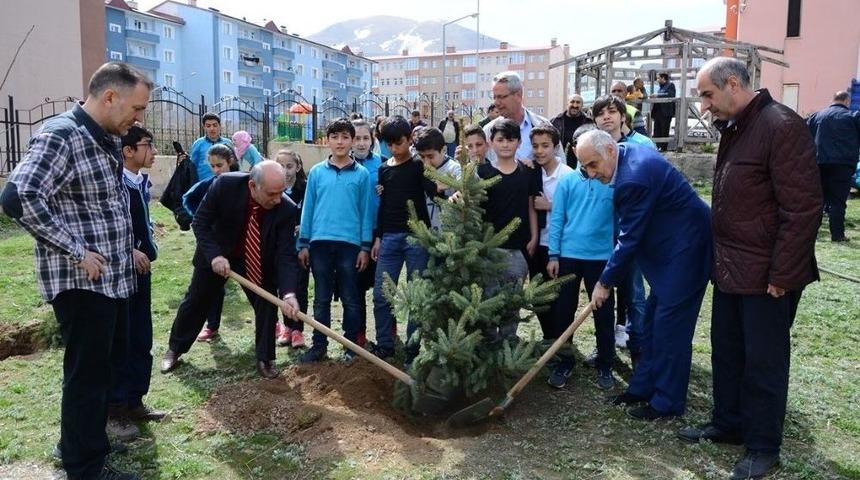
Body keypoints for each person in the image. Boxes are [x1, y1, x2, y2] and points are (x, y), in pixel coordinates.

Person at [1, 61, 153, 480]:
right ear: (110, 97)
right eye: (136, 108)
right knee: (87, 376)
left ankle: (79, 443)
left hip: (111, 283)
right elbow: (19, 196)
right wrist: (76, 251)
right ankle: (84, 468)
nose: (138, 118)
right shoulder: (61, 135)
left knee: (100, 371)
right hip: (82, 283)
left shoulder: (103, 136)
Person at [677, 57, 823, 480]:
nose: (705, 106)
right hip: (730, 269)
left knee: (764, 361)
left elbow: (802, 209)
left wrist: (782, 275)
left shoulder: (781, 126)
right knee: (727, 351)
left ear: (734, 84)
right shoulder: (737, 129)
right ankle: (728, 423)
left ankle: (762, 446)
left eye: (707, 95)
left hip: (766, 277)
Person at [577, 130, 712, 422]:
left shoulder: (633, 178)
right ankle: (642, 388)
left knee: (670, 331)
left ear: (611, 150)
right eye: (584, 167)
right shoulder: (624, 155)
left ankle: (667, 402)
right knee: (651, 323)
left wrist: (604, 283)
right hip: (670, 250)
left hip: (686, 251)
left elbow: (629, 238)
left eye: (593, 164)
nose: (590, 173)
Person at [160, 161, 301, 379]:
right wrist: (214, 255)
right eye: (272, 194)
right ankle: (175, 348)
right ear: (253, 186)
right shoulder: (225, 185)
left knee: (266, 301)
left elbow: (285, 254)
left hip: (255, 257)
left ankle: (265, 358)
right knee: (197, 299)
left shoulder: (286, 208)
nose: (277, 199)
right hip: (218, 252)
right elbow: (200, 222)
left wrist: (290, 293)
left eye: (281, 192)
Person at [297, 118, 374, 363]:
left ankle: (351, 346)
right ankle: (319, 345)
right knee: (321, 297)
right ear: (327, 141)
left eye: (345, 137)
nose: (340, 142)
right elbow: (307, 209)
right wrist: (304, 243)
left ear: (352, 141)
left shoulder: (361, 175)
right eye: (334, 137)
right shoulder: (318, 172)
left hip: (350, 246)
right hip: (319, 244)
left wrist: (364, 246)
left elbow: (366, 212)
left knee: (351, 296)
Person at [545, 127, 615, 391]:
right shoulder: (568, 182)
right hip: (568, 256)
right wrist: (553, 254)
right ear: (574, 151)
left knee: (604, 313)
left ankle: (606, 363)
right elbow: (558, 219)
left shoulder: (610, 180)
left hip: (601, 258)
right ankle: (565, 362)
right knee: (564, 311)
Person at [109, 125, 166, 436]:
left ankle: (135, 400)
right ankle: (115, 409)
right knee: (122, 340)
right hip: (120, 274)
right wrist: (129, 250)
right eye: (147, 145)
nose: (153, 151)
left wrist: (148, 226)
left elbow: (134, 218)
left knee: (142, 337)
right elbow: (107, 225)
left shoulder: (139, 182)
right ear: (127, 151)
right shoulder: (115, 184)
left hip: (142, 273)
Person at [371, 116, 438, 363]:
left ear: (410, 140)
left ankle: (412, 350)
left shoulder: (419, 165)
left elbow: (435, 191)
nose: (394, 149)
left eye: (398, 143)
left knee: (416, 296)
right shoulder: (384, 168)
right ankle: (385, 345)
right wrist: (378, 237)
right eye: (389, 144)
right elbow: (383, 205)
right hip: (388, 238)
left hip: (417, 238)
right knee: (381, 293)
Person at [477, 118, 540, 340]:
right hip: (489, 248)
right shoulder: (482, 172)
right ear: (491, 143)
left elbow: (531, 206)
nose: (505, 144)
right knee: (488, 297)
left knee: (512, 299)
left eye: (511, 140)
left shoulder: (527, 171)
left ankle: (508, 340)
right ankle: (488, 342)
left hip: (518, 247)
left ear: (519, 142)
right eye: (500, 140)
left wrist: (534, 237)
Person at [181, 144, 239, 343]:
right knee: (207, 291)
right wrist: (202, 217)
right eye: (212, 166)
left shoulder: (243, 182)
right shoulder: (208, 185)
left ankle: (271, 326)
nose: (216, 170)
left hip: (241, 246)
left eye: (220, 165)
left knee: (260, 288)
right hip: (212, 247)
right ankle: (211, 326)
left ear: (230, 161)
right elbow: (188, 199)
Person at [527, 124, 575, 346]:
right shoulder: (532, 173)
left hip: (562, 246)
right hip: (538, 243)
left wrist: (550, 205)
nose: (539, 151)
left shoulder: (568, 175)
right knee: (539, 295)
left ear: (555, 147)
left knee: (560, 297)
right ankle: (548, 338)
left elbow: (577, 211)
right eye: (535, 146)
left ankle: (563, 343)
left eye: (545, 146)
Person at [807, 90, 860, 242]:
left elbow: (807, 136)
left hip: (820, 163)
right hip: (842, 166)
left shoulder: (817, 116)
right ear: (847, 101)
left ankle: (811, 234)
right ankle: (837, 235)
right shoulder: (852, 117)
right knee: (838, 201)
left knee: (818, 201)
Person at [351, 118, 384, 347]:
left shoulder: (382, 165)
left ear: (372, 141)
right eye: (356, 138)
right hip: (353, 236)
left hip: (377, 234)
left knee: (382, 288)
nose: (361, 143)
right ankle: (359, 335)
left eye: (365, 138)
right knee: (356, 288)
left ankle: (387, 333)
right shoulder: (343, 165)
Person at [483, 71, 562, 164]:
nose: (496, 103)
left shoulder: (542, 125)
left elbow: (560, 164)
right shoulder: (488, 131)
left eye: (501, 97)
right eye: (494, 97)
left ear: (518, 95)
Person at [274, 149, 310, 348]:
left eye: (289, 166)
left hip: (300, 247)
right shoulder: (273, 187)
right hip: (280, 248)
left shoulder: (305, 188)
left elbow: (311, 211)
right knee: (284, 289)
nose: (285, 171)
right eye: (281, 166)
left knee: (300, 288)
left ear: (297, 167)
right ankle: (286, 327)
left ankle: (298, 330)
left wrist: (303, 228)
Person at [414, 127, 462, 231]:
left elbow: (467, 189)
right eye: (422, 157)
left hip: (453, 235)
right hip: (429, 235)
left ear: (444, 150)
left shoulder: (454, 168)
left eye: (430, 156)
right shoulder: (419, 168)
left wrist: (455, 197)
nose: (426, 163)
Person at [550, 93, 594, 167]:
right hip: (560, 164)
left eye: (578, 102)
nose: (575, 105)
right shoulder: (555, 122)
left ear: (582, 105)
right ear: (567, 103)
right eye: (572, 102)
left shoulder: (589, 123)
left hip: (583, 164)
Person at [189, 113, 233, 182]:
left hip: (224, 183)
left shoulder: (228, 143)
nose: (212, 129)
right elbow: (192, 167)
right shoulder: (198, 144)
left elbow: (233, 166)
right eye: (208, 126)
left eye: (215, 125)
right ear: (204, 127)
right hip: (203, 185)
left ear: (220, 126)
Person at [651, 72, 676, 151]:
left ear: (663, 78)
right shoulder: (660, 88)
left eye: (658, 78)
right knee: (657, 130)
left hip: (666, 113)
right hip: (658, 113)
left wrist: (657, 95)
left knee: (664, 130)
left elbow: (670, 95)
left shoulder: (670, 85)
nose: (657, 80)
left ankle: (663, 148)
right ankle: (657, 147)